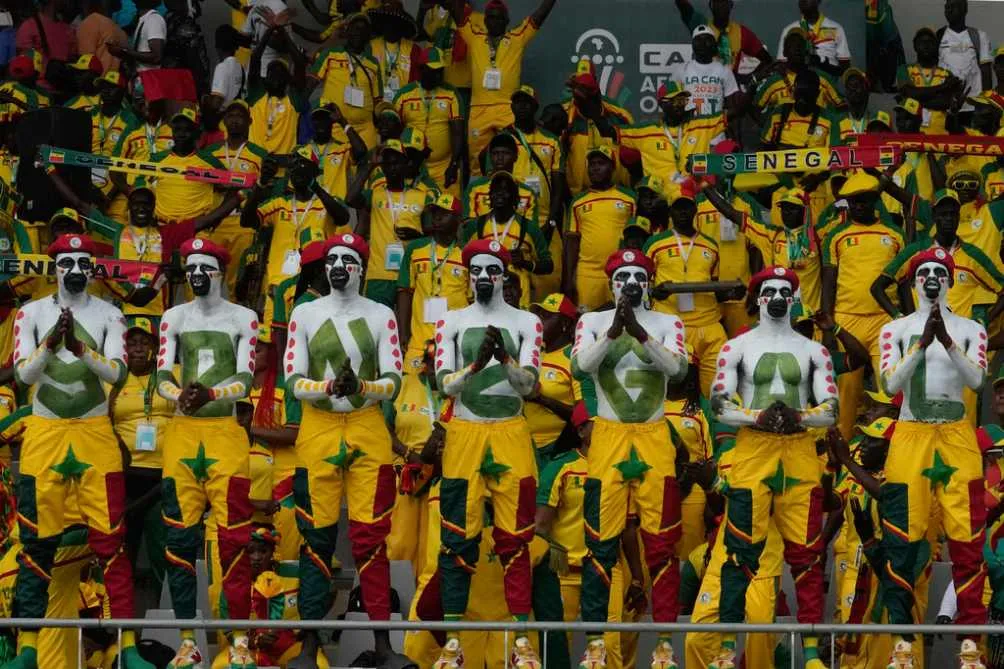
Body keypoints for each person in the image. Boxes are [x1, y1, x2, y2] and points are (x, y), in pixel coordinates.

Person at [7, 232, 151, 669]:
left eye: (82, 263)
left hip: (94, 432)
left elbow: (118, 374)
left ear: (93, 269)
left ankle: (128, 646)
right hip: (44, 432)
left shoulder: (111, 314)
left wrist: (78, 348)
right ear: (54, 268)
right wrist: (51, 343)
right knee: (36, 543)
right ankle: (28, 649)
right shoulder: (30, 313)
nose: (74, 270)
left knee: (112, 542)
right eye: (66, 263)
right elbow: (24, 377)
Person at [284, 232, 408, 669]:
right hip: (317, 429)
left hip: (367, 428)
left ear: (361, 268)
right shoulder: (305, 313)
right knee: (315, 538)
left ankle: (383, 645)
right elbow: (292, 380)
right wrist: (329, 387)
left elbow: (395, 380)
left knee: (371, 538)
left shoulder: (381, 314)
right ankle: (309, 645)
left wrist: (361, 387)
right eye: (332, 260)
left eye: (347, 260)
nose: (338, 267)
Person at [710, 265, 838, 669]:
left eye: (786, 291)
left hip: (799, 450)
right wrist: (757, 417)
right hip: (753, 449)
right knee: (739, 550)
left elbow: (832, 408)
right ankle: (727, 648)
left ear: (794, 298)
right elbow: (719, 404)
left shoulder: (814, 350)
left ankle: (812, 652)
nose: (778, 298)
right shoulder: (736, 347)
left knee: (808, 552)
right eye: (771, 291)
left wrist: (800, 417)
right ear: (758, 299)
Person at [571, 248, 689, 669]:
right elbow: (580, 367)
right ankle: (596, 645)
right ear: (611, 284)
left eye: (639, 277)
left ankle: (664, 646)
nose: (631, 284)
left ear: (649, 282)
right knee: (599, 541)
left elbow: (678, 371)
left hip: (655, 437)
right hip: (608, 435)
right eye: (622, 278)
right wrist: (613, 332)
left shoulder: (669, 323)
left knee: (662, 543)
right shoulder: (591, 322)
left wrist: (639, 332)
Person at [431, 237, 543, 669]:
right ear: (467, 275)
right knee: (456, 533)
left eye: (491, 270)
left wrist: (505, 358)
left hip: (512, 432)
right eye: (475, 270)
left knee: (517, 535)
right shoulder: (452, 321)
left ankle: (521, 641)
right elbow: (444, 384)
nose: (482, 277)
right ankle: (453, 642)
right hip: (465, 432)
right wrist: (477, 364)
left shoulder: (527, 322)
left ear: (503, 276)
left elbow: (529, 386)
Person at [876, 247, 989, 669]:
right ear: (912, 280)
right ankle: (902, 646)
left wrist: (947, 342)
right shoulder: (895, 329)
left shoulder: (972, 329)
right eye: (924, 272)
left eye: (940, 272)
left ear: (950, 280)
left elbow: (977, 381)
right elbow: (890, 386)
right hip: (911, 435)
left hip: (957, 436)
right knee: (902, 540)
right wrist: (923, 343)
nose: (932, 278)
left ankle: (971, 647)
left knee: (967, 540)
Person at [155, 237, 257, 668]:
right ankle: (186, 640)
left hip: (225, 434)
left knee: (234, 538)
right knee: (179, 539)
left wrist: (210, 394)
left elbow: (246, 379)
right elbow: (161, 374)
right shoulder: (173, 317)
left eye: (204, 268)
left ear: (221, 272)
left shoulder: (244, 318)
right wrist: (179, 396)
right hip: (182, 436)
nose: (196, 275)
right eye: (190, 268)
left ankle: (239, 639)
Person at [822, 173, 906, 438]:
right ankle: (843, 447)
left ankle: (891, 446)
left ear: (874, 200)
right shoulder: (836, 236)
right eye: (853, 201)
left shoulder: (895, 235)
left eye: (864, 200)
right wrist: (828, 327)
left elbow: (903, 282)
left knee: (889, 388)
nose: (858, 206)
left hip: (884, 320)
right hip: (847, 319)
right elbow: (828, 282)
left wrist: (908, 320)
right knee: (847, 390)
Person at [242, 147, 352, 328]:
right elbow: (247, 221)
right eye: (293, 166)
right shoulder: (279, 203)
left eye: (303, 165)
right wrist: (261, 183)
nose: (297, 170)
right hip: (277, 287)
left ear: (315, 171)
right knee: (276, 337)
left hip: (314, 287)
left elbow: (343, 218)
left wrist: (314, 185)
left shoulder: (326, 202)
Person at [110, 316, 176, 591]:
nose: (138, 348)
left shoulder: (171, 375)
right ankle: (119, 615)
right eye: (132, 343)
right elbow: (101, 423)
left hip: (162, 476)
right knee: (122, 552)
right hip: (125, 477)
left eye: (144, 342)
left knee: (162, 550)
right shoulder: (113, 380)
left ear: (156, 347)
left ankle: (166, 613)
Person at [450, 0, 558, 164]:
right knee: (477, 161)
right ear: (485, 20)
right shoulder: (474, 37)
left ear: (507, 21)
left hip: (508, 108)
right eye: (491, 17)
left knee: (515, 156)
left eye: (500, 18)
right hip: (479, 109)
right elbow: (458, 16)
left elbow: (537, 18)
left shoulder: (517, 38)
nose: (495, 21)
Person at [645, 183, 725, 398]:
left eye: (687, 207)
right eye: (678, 208)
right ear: (670, 211)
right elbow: (644, 285)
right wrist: (653, 293)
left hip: (708, 323)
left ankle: (710, 418)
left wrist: (729, 293)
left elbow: (715, 285)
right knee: (670, 389)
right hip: (669, 322)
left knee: (715, 389)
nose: (682, 212)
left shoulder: (710, 245)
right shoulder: (655, 243)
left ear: (695, 210)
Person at [346, 140, 428, 307]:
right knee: (377, 321)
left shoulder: (422, 196)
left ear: (406, 165)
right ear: (382, 168)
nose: (392, 168)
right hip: (379, 274)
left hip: (411, 273)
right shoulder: (374, 195)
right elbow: (350, 198)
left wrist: (418, 236)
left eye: (397, 163)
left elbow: (432, 235)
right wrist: (370, 166)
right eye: (387, 164)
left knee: (407, 320)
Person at [396, 192, 468, 371]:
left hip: (455, 341)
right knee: (411, 384)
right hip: (419, 342)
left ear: (458, 220)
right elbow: (405, 291)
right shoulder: (415, 248)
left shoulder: (466, 254)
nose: (437, 217)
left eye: (444, 214)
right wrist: (403, 332)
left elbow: (472, 299)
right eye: (435, 212)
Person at [461, 170, 553, 309]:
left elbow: (548, 265)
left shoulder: (529, 228)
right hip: (484, 295)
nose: (499, 193)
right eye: (495, 190)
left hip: (518, 300)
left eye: (506, 190)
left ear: (515, 197)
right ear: (490, 196)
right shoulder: (475, 226)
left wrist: (525, 263)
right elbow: (462, 261)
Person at [562, 146, 636, 311]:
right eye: (592, 164)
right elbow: (572, 242)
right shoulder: (578, 201)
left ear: (612, 167)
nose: (595, 168)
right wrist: (568, 280)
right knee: (587, 318)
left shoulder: (629, 198)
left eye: (601, 163)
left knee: (623, 316)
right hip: (588, 274)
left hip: (621, 270)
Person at [619, 82, 724, 186]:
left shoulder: (701, 125)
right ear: (663, 104)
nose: (680, 106)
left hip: (696, 192)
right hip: (660, 193)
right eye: (676, 101)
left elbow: (729, 116)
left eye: (682, 101)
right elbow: (614, 133)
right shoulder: (646, 131)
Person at [394, 47, 464, 194]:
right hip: (412, 168)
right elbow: (393, 132)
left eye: (440, 70)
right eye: (433, 70)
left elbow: (458, 133)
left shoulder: (451, 93)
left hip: (443, 167)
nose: (438, 75)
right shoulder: (404, 95)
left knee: (450, 206)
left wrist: (454, 165)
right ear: (421, 69)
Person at [310, 13, 383, 148]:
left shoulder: (373, 63)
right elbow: (310, 83)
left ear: (368, 35)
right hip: (336, 127)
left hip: (365, 130)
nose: (358, 32)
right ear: (347, 31)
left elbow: (377, 100)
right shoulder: (330, 54)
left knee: (366, 161)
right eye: (355, 28)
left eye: (363, 30)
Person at [524, 293, 578, 463]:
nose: (539, 321)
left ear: (565, 323)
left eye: (546, 316)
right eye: (538, 315)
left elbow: (583, 414)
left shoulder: (574, 359)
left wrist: (541, 399)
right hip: (524, 444)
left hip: (555, 449)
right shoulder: (533, 353)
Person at [672, 0, 773, 80]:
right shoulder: (702, 25)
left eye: (724, 2)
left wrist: (749, 78)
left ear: (731, 5)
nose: (721, 6)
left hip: (730, 86)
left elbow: (767, 60)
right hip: (702, 84)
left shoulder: (741, 32)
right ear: (711, 5)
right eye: (717, 2)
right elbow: (685, 9)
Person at [248, 25, 308, 155]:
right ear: (265, 79)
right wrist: (268, 31)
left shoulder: (293, 101)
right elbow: (255, 59)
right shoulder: (257, 95)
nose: (275, 76)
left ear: (288, 80)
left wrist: (284, 33)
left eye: (280, 73)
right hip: (256, 161)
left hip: (284, 162)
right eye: (271, 72)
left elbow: (299, 63)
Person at [897, 28, 959, 136]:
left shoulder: (946, 74)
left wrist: (915, 101)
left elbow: (945, 102)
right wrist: (943, 87)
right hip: (912, 135)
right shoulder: (905, 69)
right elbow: (909, 93)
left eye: (930, 42)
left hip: (940, 135)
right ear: (915, 46)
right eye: (922, 42)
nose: (926, 45)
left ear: (936, 46)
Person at [761, 69, 840, 149]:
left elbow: (833, 152)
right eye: (800, 92)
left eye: (808, 94)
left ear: (817, 93)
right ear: (794, 92)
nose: (803, 99)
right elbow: (765, 146)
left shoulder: (829, 120)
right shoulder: (779, 113)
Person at [938, 0, 992, 117]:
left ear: (964, 9)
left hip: (973, 106)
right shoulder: (939, 35)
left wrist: (986, 104)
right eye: (947, 7)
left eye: (953, 6)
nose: (949, 10)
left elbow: (986, 72)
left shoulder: (979, 36)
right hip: (945, 107)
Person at [681, 25, 740, 123]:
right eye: (699, 41)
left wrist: (721, 120)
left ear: (713, 45)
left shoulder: (724, 71)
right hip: (690, 130)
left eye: (707, 40)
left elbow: (733, 106)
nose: (703, 44)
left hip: (716, 130)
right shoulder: (683, 70)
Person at [776, 0, 850, 77]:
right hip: (797, 82)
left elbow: (845, 67)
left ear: (818, 1)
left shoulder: (836, 28)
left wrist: (825, 67)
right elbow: (782, 66)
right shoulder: (789, 30)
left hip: (827, 82)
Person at [369, 1, 421, 101]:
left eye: (394, 22)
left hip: (404, 103)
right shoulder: (370, 46)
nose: (390, 26)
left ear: (401, 25)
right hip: (376, 102)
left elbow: (417, 83)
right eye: (386, 22)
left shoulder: (414, 50)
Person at [108, 0, 165, 72]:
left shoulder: (153, 20)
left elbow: (156, 57)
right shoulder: (144, 19)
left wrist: (124, 51)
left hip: (148, 76)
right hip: (139, 75)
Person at [78, 0, 128, 73]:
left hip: (95, 77)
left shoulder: (91, 22)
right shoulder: (120, 31)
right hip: (113, 78)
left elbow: (85, 60)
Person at [210, 25, 247, 108]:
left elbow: (216, 102)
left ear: (217, 47)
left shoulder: (222, 67)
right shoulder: (240, 67)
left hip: (224, 113)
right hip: (235, 110)